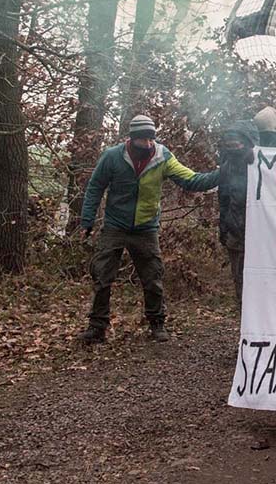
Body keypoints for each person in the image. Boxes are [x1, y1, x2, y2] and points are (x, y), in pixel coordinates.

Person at [78, 115, 225, 343]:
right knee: (102, 277)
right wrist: (87, 221)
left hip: (146, 229)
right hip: (115, 226)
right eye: (142, 140)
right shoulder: (112, 157)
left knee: (152, 278)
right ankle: (97, 328)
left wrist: (223, 173)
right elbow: (95, 187)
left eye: (150, 139)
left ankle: (157, 324)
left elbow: (192, 181)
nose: (147, 144)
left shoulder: (162, 157)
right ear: (131, 139)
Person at [216, 122, 258, 307]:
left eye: (237, 144)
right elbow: (223, 200)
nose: (233, 148)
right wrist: (223, 228)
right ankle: (244, 312)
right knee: (239, 277)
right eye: (229, 145)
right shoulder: (225, 168)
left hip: (260, 233)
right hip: (235, 231)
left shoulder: (262, 164)